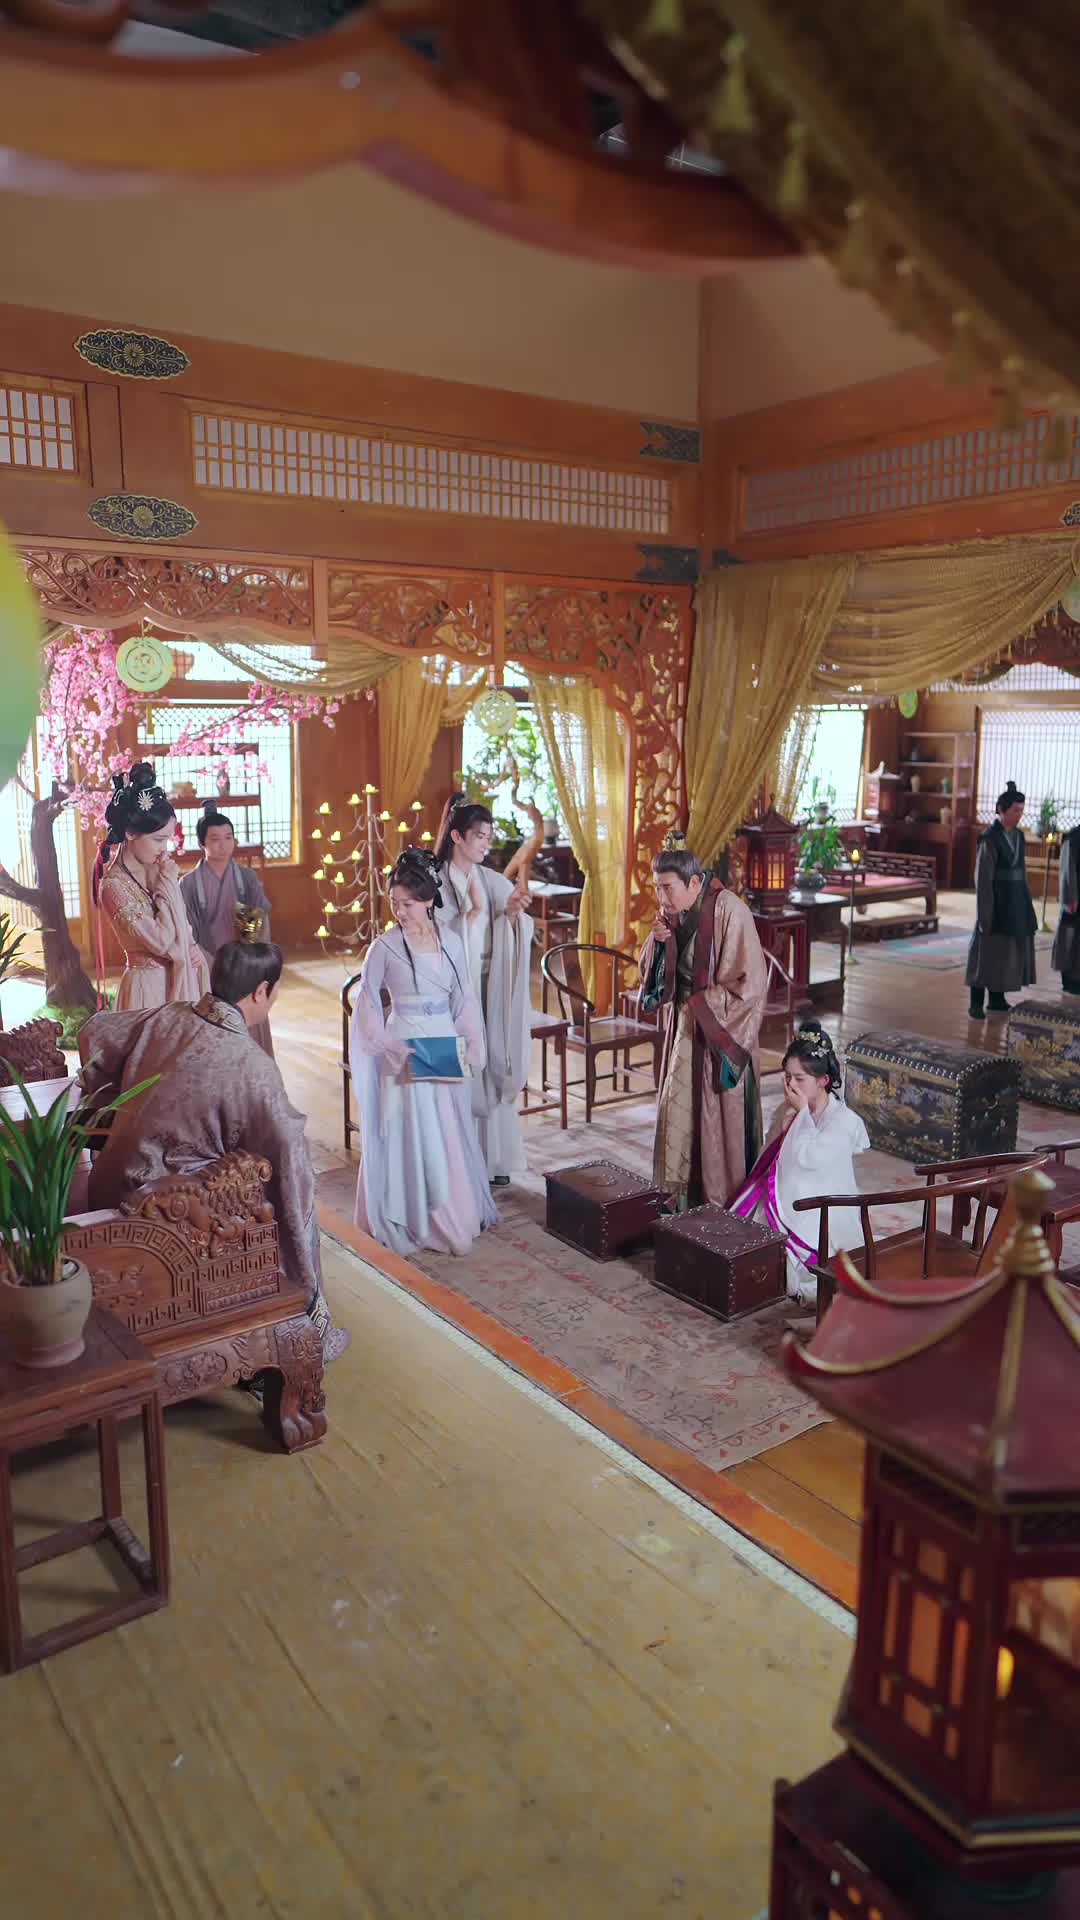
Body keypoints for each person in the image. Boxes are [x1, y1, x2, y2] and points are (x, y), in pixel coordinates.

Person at [77, 940, 347, 1361]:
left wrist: (113, 1100)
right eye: (274, 991)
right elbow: (288, 1159)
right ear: (260, 991)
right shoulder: (251, 1066)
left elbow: (96, 1031)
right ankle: (295, 1317)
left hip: (107, 1183)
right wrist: (305, 1272)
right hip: (168, 1217)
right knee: (288, 1182)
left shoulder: (168, 1016)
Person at [349, 848, 497, 1256]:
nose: (400, 912)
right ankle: (408, 1217)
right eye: (394, 903)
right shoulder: (384, 947)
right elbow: (367, 1003)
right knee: (409, 1132)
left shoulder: (452, 941)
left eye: (408, 904)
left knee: (445, 1130)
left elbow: (465, 1000)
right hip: (403, 1047)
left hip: (443, 1043)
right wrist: (385, 1044)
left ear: (429, 900)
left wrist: (473, 1044)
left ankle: (447, 1216)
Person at [640, 832, 768, 1210]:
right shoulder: (672, 912)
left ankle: (721, 1206)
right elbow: (654, 976)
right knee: (677, 1113)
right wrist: (660, 943)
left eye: (667, 888)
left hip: (715, 1034)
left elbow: (750, 985)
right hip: (683, 1029)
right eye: (657, 888)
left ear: (694, 883)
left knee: (716, 1122)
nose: (661, 898)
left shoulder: (730, 911)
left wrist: (702, 1006)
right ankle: (679, 1203)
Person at [728, 1021, 870, 1306]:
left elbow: (809, 1160)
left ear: (823, 1080)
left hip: (817, 1208)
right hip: (782, 1195)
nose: (790, 1085)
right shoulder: (789, 1110)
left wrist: (802, 1116)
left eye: (800, 1078)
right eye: (787, 1076)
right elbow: (770, 1158)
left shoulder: (844, 1122)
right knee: (739, 1243)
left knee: (785, 1268)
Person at [434, 793, 533, 1183]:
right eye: (479, 836)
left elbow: (517, 925)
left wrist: (513, 917)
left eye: (489, 837)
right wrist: (473, 917)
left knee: (491, 1066)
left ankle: (494, 1162)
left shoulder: (491, 880)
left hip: (489, 990)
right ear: (457, 837)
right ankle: (457, 1164)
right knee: (459, 1072)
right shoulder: (435, 883)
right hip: (453, 993)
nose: (486, 844)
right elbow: (434, 937)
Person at [94, 762, 209, 1010]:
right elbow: (161, 941)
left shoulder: (156, 868)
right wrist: (167, 883)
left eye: (167, 840)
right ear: (130, 833)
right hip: (146, 987)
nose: (163, 849)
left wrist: (191, 946)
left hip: (177, 980)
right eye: (158, 840)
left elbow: (182, 925)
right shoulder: (113, 887)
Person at [180, 803, 274, 1057]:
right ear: (202, 843)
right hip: (208, 968)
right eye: (215, 839)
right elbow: (187, 933)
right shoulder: (189, 884)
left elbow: (260, 919)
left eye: (229, 837)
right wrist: (211, 966)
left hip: (245, 965)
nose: (224, 844)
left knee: (251, 1028)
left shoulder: (246, 878)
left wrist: (254, 959)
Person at [966, 780, 1037, 1020]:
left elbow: (1022, 871)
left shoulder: (1019, 837)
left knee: (1005, 951)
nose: (1019, 815)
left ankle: (997, 999)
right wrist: (985, 914)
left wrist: (1025, 903)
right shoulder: (989, 839)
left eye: (1021, 810)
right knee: (985, 951)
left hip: (1015, 899)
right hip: (995, 900)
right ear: (1001, 809)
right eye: (1015, 810)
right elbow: (983, 880)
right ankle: (976, 1003)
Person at [1052, 821, 1080, 995]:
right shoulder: (1074, 837)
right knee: (1071, 939)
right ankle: (1070, 979)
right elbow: (1067, 869)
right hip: (1075, 896)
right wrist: (1070, 898)